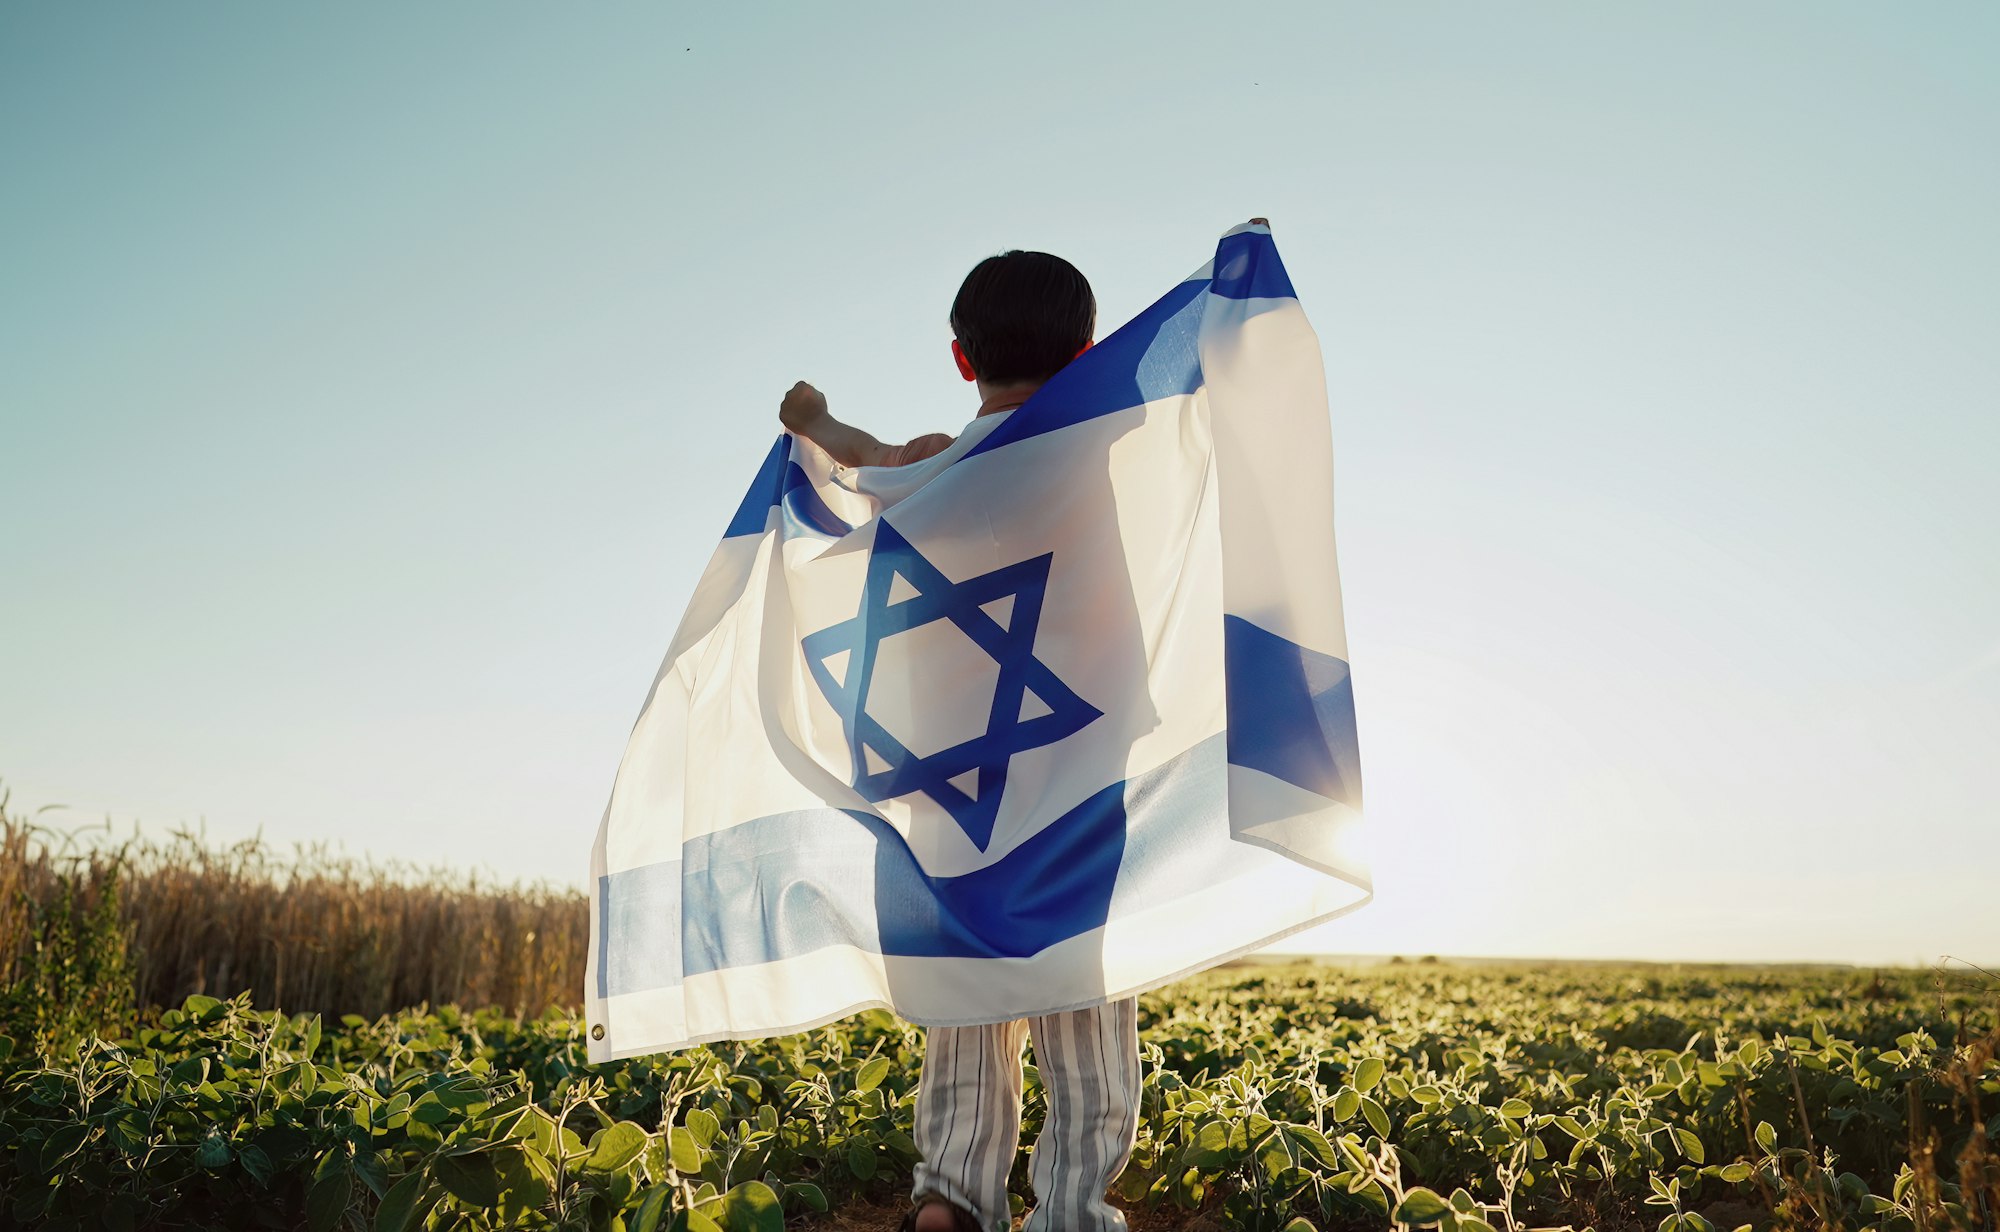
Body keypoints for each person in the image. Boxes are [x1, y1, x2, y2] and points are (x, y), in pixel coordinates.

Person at [777, 223, 1266, 1232]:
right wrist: (1231, 290)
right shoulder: (1098, 447)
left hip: (949, 787)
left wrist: (813, 415)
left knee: (963, 992)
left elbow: (857, 454)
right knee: (1085, 997)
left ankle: (951, 1195)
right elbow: (1178, 391)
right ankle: (1074, 1207)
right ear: (1087, 355)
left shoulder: (925, 466)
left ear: (959, 358)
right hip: (1076, 775)